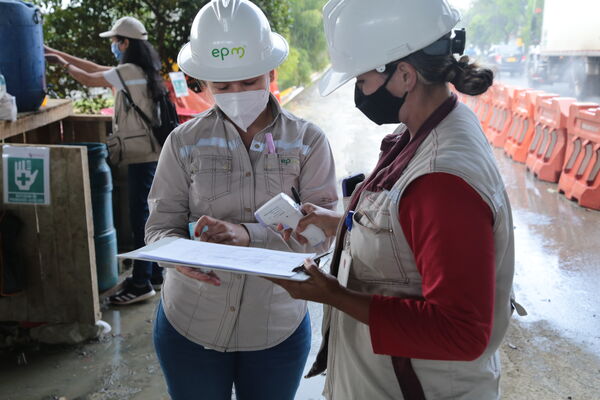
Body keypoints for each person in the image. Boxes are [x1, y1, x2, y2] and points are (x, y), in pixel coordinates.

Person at [270, 0, 521, 399]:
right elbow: (410, 234)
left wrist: (331, 295)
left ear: (404, 74)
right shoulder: (427, 127)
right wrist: (341, 225)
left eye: (363, 80)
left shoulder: (441, 178)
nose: (359, 93)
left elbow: (461, 332)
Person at [144, 1, 338, 399]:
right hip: (190, 324)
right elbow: (158, 228)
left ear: (271, 71)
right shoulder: (183, 142)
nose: (237, 94)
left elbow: (323, 237)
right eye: (223, 86)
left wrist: (248, 235)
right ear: (205, 82)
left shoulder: (307, 141)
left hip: (276, 326)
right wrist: (178, 254)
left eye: (249, 81)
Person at [45, 16, 165, 305]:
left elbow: (89, 78)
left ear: (125, 43)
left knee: (140, 219)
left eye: (114, 42)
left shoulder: (126, 71)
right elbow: (97, 70)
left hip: (141, 155)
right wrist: (55, 52)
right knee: (148, 215)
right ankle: (155, 273)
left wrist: (60, 63)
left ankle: (140, 283)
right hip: (153, 152)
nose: (113, 46)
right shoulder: (141, 69)